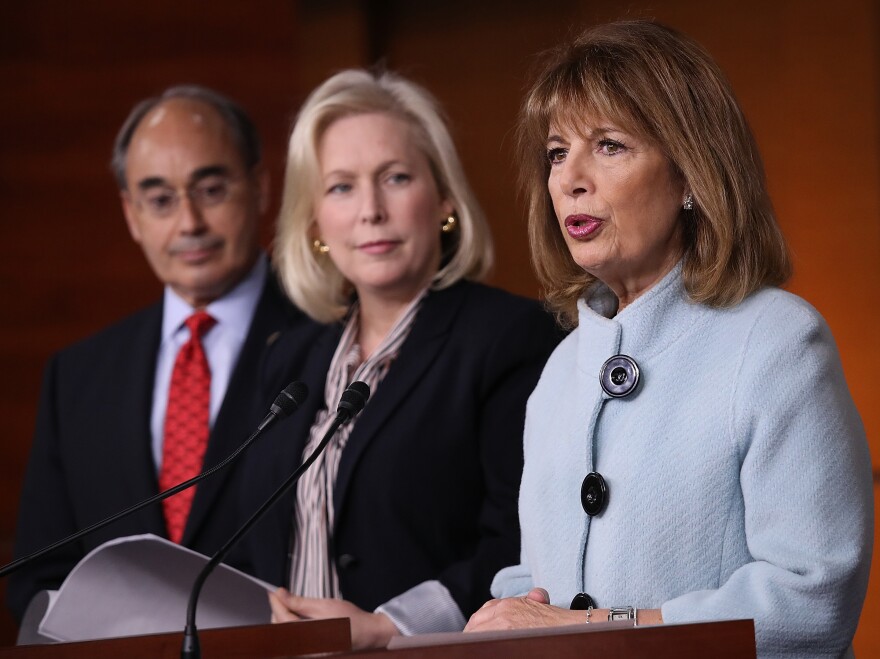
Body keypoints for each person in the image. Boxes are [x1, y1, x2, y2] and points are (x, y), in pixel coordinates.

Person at [463, 20, 873, 658]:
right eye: (556, 151)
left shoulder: (778, 342)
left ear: (690, 175)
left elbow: (810, 603)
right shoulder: (560, 368)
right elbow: (533, 584)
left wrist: (593, 631)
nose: (570, 177)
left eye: (609, 146)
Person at [233, 69, 562, 649]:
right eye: (341, 187)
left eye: (395, 177)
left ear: (443, 200)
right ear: (315, 225)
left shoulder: (510, 338)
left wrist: (390, 627)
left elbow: (519, 545)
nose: (371, 210)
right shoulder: (287, 359)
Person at [7, 85, 320, 622]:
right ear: (131, 214)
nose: (189, 223)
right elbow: (39, 575)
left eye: (212, 189)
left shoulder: (329, 338)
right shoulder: (78, 375)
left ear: (261, 187)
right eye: (160, 200)